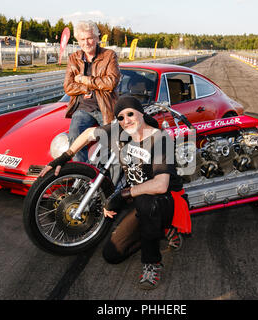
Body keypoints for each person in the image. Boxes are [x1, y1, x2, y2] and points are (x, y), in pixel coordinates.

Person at [39, 96, 191, 290]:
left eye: (130, 114)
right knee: (112, 255)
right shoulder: (119, 131)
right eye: (120, 117)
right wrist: (62, 158)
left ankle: (152, 263)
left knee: (147, 202)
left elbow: (161, 184)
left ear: (141, 113)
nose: (126, 120)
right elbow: (87, 133)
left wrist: (123, 196)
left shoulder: (160, 139)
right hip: (137, 198)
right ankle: (162, 230)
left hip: (166, 200)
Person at [63, 20, 120, 162]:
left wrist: (84, 79)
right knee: (75, 137)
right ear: (78, 40)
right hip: (83, 109)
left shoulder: (109, 55)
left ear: (96, 38)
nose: (86, 42)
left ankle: (108, 180)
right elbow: (68, 86)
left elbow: (111, 82)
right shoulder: (73, 58)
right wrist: (87, 87)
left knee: (113, 145)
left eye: (89, 38)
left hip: (106, 108)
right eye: (82, 39)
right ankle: (82, 175)